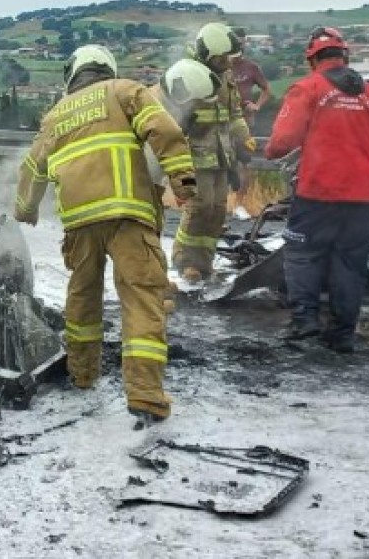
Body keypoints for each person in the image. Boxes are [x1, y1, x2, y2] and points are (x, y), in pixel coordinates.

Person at [14, 45, 196, 428]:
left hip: (80, 223)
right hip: (128, 215)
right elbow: (162, 129)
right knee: (142, 299)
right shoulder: (124, 90)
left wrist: (26, 209)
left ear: (73, 74)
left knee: (82, 300)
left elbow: (32, 168)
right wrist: (182, 179)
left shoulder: (55, 115)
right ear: (106, 68)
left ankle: (83, 374)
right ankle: (145, 395)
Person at [263, 27, 369, 353]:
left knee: (303, 255)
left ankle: (305, 323)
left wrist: (269, 152)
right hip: (363, 197)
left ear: (312, 59)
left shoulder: (308, 89)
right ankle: (342, 334)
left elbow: (281, 142)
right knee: (349, 262)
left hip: (318, 193)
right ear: (345, 56)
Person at [157, 23, 254, 284]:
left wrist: (244, 141)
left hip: (222, 155)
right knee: (199, 207)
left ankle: (205, 261)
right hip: (194, 156)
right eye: (222, 58)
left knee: (217, 210)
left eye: (229, 59)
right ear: (208, 53)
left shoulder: (226, 77)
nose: (227, 64)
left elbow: (234, 115)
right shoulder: (186, 75)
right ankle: (184, 261)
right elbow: (171, 120)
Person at [229, 28, 273, 220]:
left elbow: (266, 89)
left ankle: (239, 204)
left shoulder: (251, 67)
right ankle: (220, 203)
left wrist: (257, 106)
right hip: (221, 122)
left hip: (245, 124)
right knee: (220, 164)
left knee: (244, 163)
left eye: (242, 42)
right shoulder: (219, 67)